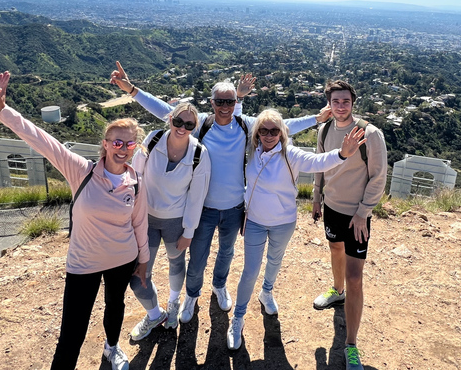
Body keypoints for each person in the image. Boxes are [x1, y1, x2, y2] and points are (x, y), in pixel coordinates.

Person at [110, 61, 330, 324]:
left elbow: (281, 126)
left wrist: (315, 119)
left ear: (235, 102)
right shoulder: (201, 123)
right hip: (203, 206)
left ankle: (219, 285)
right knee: (198, 255)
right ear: (212, 103)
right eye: (220, 102)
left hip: (235, 206)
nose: (225, 107)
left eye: (230, 101)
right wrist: (132, 90)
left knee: (226, 252)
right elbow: (167, 112)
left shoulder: (245, 125)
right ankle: (191, 295)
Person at [0, 71, 149, 370]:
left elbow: (139, 223)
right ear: (105, 144)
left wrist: (143, 261)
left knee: (115, 307)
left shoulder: (136, 180)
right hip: (84, 263)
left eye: (130, 145)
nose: (123, 149)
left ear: (135, 148)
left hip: (123, 258)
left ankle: (112, 348)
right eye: (117, 143)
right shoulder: (82, 171)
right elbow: (45, 142)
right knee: (72, 331)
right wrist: (4, 112)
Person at [226, 109, 366, 350]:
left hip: (283, 222)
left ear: (282, 133)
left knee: (274, 261)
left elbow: (317, 162)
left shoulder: (290, 154)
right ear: (257, 132)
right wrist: (238, 98)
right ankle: (238, 317)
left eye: (274, 130)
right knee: (250, 270)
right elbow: (234, 119)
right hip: (256, 222)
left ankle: (267, 292)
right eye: (264, 130)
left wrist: (342, 154)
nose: (269, 135)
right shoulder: (250, 152)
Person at [311, 80, 388, 370]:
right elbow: (321, 165)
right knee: (334, 248)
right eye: (335, 101)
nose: (340, 106)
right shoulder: (325, 130)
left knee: (356, 276)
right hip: (331, 206)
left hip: (357, 214)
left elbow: (378, 177)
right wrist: (317, 198)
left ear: (353, 103)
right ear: (329, 104)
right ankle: (336, 290)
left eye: (345, 101)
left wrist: (363, 212)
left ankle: (351, 344)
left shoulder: (370, 133)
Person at [127, 102, 211, 340]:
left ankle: (173, 304)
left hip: (176, 221)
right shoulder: (153, 140)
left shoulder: (198, 154)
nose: (182, 128)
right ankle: (155, 314)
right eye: (178, 121)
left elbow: (197, 195)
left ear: (194, 128)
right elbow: (135, 177)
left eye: (189, 124)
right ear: (170, 119)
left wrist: (189, 231)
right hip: (146, 219)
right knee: (139, 274)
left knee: (176, 263)